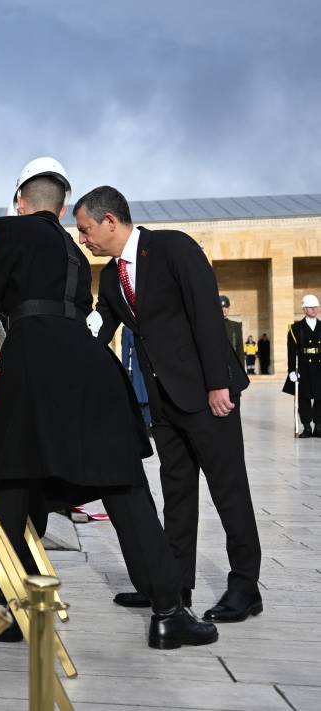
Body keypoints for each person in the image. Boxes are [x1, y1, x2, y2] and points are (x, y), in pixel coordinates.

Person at [0, 158, 215, 650]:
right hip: (90, 369)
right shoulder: (73, 248)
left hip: (33, 373)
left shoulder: (7, 232)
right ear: (64, 207)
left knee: (8, 487)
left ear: (20, 201)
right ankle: (169, 612)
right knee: (124, 488)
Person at [77, 185, 262, 623]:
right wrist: (65, 345)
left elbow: (205, 315)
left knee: (228, 490)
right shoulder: (111, 277)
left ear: (109, 221)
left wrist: (219, 385)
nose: (83, 240)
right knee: (177, 495)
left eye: (85, 230)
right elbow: (102, 324)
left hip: (206, 396)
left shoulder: (173, 247)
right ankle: (174, 586)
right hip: (163, 403)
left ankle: (245, 588)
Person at [287, 294, 321, 437]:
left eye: (316, 307)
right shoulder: (295, 328)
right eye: (311, 307)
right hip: (304, 368)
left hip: (319, 368)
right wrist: (291, 371)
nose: (314, 310)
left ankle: (318, 426)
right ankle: (306, 427)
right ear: (304, 309)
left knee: (320, 398)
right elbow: (291, 351)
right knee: (304, 399)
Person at [121, 326, 152, 426]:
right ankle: (149, 422)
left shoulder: (127, 328)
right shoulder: (143, 322)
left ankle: (144, 424)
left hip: (138, 362)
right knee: (146, 392)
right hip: (147, 360)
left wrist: (124, 369)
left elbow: (125, 353)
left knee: (139, 394)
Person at [221, 296, 245, 369]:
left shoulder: (236, 326)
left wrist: (242, 370)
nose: (224, 310)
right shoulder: (212, 326)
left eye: (226, 307)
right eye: (222, 307)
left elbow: (240, 350)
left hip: (232, 365)